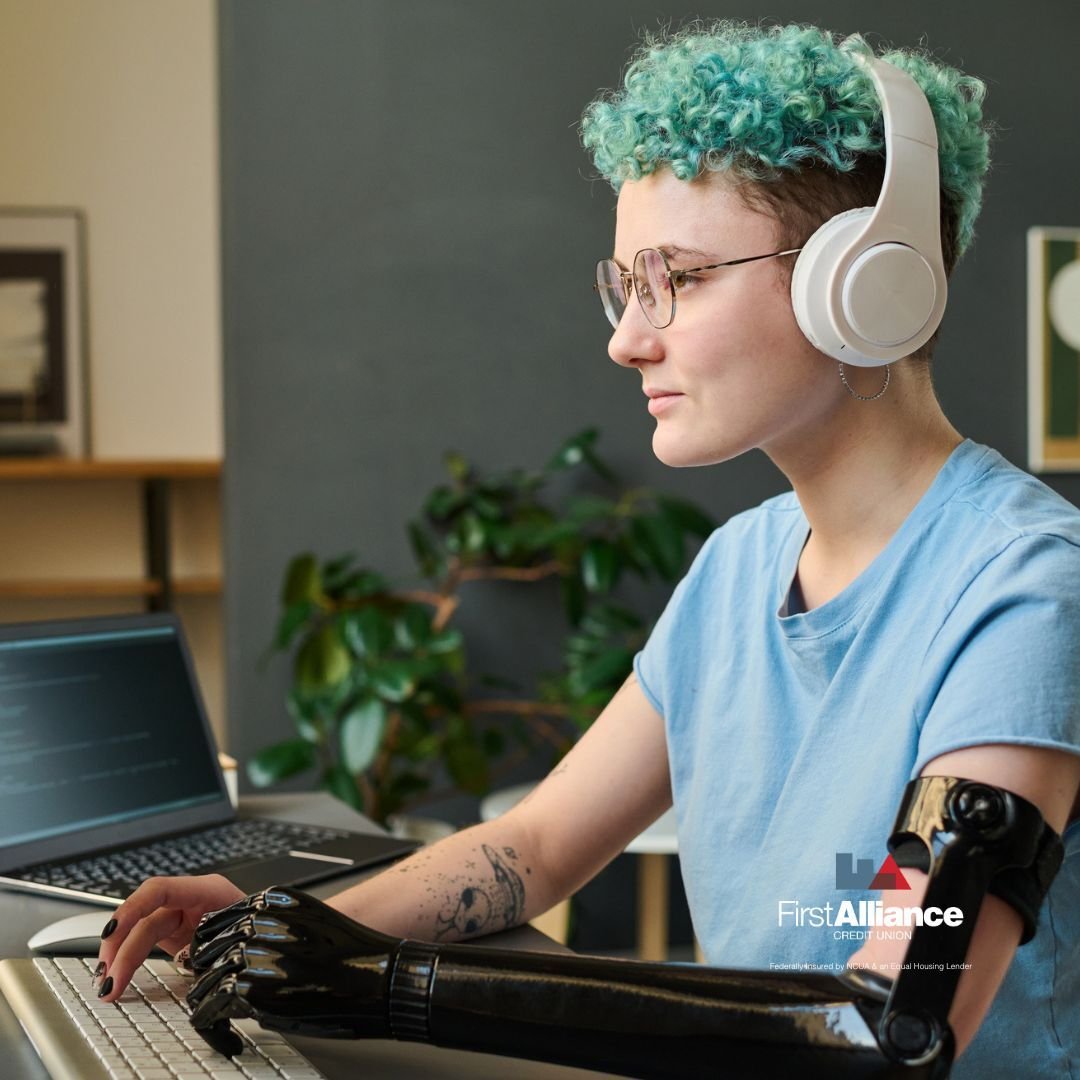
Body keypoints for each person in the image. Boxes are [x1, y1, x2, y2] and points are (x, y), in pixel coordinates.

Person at [95, 21, 1080, 1077]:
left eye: (681, 279)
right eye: (626, 285)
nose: (627, 338)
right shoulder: (740, 568)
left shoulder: (1027, 590)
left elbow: (891, 1023)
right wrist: (290, 920)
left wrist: (390, 986)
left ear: (863, 285)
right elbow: (536, 846)